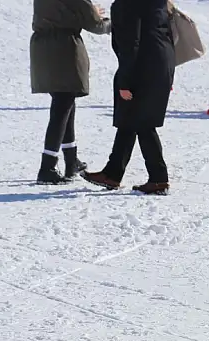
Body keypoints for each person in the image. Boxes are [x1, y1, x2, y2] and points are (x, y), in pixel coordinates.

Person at [83, 0, 175, 195]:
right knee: (129, 119)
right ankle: (112, 174)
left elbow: (130, 42)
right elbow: (168, 35)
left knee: (142, 122)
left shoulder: (127, 4)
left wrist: (125, 82)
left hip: (141, 67)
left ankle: (159, 178)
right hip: (161, 64)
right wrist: (168, 74)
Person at [29, 0, 111, 185]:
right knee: (62, 106)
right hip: (64, 48)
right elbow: (95, 24)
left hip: (43, 47)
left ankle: (71, 159)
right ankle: (47, 166)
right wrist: (110, 22)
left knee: (65, 101)